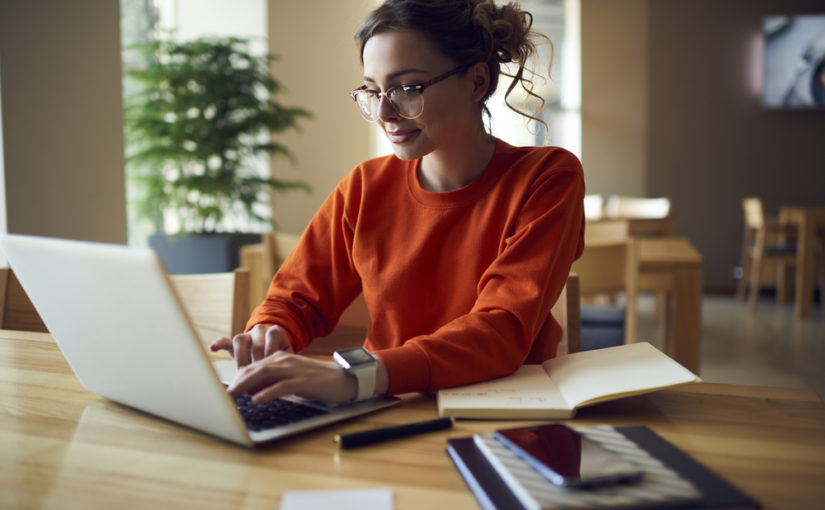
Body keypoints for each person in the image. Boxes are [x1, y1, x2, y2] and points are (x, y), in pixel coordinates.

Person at [211, 0, 585, 405]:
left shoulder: (547, 178)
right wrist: (271, 330)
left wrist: (357, 377)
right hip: (385, 408)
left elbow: (500, 331)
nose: (385, 113)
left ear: (477, 82)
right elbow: (295, 299)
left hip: (504, 416)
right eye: (372, 91)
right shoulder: (364, 187)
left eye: (408, 89)